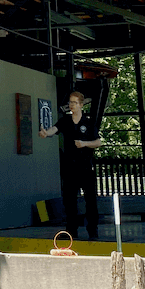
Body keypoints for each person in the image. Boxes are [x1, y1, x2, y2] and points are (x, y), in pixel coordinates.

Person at [39, 90, 101, 240]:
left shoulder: (88, 122)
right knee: (70, 201)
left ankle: (93, 230)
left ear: (81, 105)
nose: (71, 105)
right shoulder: (65, 121)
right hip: (70, 168)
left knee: (90, 201)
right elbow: (55, 129)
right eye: (70, 102)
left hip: (86, 167)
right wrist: (46, 133)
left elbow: (98, 142)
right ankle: (71, 231)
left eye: (74, 103)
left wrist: (84, 144)